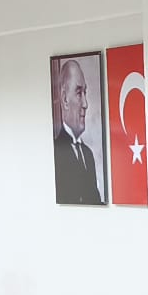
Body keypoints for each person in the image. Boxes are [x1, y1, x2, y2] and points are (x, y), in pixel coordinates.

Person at [51, 57, 102, 205]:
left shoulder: (88, 155)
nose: (85, 104)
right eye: (79, 93)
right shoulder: (55, 152)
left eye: (85, 93)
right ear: (65, 99)